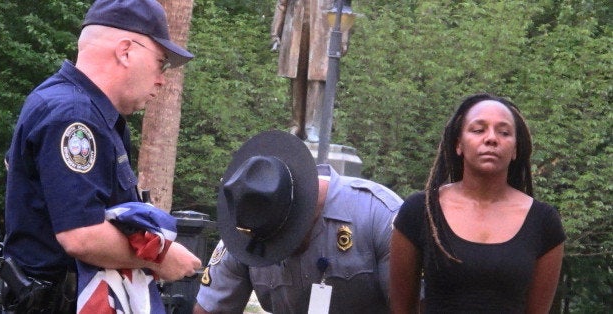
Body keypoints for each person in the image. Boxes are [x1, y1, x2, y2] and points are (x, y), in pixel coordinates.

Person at [1, 0, 201, 312]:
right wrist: (161, 256)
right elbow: (81, 235)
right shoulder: (74, 115)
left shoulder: (81, 109)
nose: (162, 79)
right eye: (160, 62)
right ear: (125, 51)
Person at [390, 93, 566, 313]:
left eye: (504, 132)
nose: (491, 138)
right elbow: (401, 308)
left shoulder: (543, 222)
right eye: (478, 130)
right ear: (458, 144)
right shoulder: (420, 211)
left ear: (515, 150)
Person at [194, 130, 402, 313]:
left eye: (285, 239)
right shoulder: (246, 228)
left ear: (304, 209)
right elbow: (211, 309)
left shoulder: (378, 214)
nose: (281, 253)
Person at [270, 0, 351, 143]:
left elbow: (344, 6)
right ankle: (296, 126)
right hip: (296, 27)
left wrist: (343, 37)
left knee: (316, 78)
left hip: (323, 31)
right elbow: (282, 3)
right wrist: (275, 32)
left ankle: (311, 127)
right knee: (297, 77)